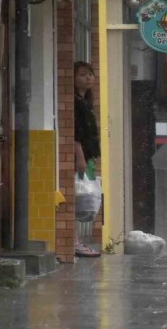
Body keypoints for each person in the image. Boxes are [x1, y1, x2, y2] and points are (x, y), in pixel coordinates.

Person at [74, 61, 101, 258]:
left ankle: (76, 240)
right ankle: (73, 241)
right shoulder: (75, 103)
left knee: (83, 198)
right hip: (80, 158)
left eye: (90, 74)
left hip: (88, 156)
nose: (88, 77)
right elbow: (76, 134)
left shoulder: (86, 102)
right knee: (76, 198)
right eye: (83, 74)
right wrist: (80, 158)